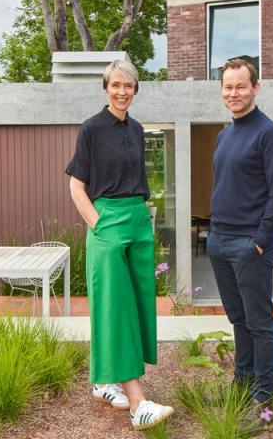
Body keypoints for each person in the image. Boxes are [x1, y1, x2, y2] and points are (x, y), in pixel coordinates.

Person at [66, 59, 174, 431]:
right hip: (108, 220)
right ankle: (137, 401)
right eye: (116, 85)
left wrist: (144, 217)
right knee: (117, 306)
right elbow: (76, 186)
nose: (122, 91)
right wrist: (98, 225)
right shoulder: (91, 129)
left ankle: (103, 379)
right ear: (105, 88)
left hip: (137, 219)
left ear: (135, 90)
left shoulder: (138, 129)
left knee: (137, 304)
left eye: (128, 86)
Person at [207, 58, 273, 408]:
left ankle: (263, 398)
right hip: (219, 241)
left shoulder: (269, 134)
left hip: (249, 244)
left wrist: (258, 242)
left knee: (259, 323)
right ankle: (242, 384)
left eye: (241, 86)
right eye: (228, 87)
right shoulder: (225, 134)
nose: (234, 93)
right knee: (237, 319)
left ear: (255, 87)